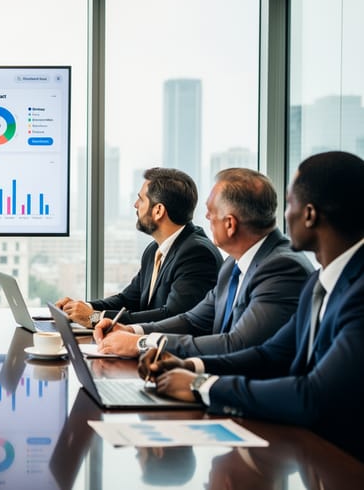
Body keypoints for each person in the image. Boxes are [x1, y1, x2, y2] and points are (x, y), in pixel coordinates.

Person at [141, 151, 364, 463]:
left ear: (310, 214)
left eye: (289, 204)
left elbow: (314, 395)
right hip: (310, 454)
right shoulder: (319, 283)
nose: (283, 216)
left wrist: (202, 386)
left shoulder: (357, 292)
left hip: (342, 464)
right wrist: (191, 366)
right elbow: (269, 354)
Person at [94, 168, 313, 357]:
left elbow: (238, 344)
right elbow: (193, 320)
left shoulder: (282, 268)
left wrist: (143, 343)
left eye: (211, 211)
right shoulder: (232, 266)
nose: (206, 217)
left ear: (230, 224)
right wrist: (134, 331)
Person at [57, 167, 222, 327]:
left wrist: (94, 318)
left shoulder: (197, 254)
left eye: (141, 199)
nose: (136, 205)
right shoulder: (154, 250)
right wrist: (81, 308)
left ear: (158, 210)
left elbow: (172, 317)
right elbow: (129, 300)